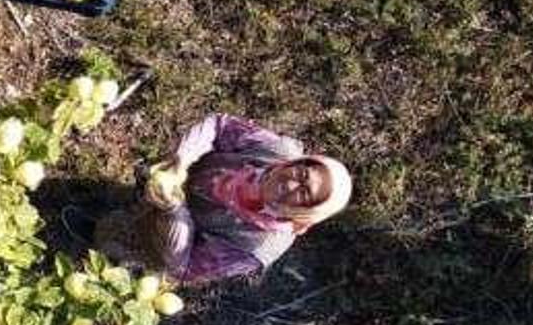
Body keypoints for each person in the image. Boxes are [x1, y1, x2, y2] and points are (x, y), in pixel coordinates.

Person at [87, 114, 352, 283]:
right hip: (180, 183)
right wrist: (182, 159)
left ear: (305, 213)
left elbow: (184, 266)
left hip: (173, 236)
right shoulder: (275, 150)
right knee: (139, 193)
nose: (292, 183)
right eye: (302, 172)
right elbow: (218, 126)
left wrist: (174, 211)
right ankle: (138, 201)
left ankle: (125, 252)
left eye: (305, 194)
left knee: (106, 241)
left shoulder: (256, 247)